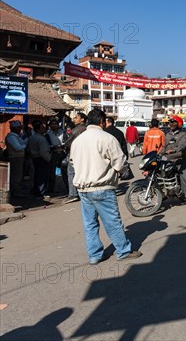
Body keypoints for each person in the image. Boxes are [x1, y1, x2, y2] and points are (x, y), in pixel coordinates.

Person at [70, 109, 142, 264]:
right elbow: (120, 162)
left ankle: (95, 255)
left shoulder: (78, 140)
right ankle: (123, 251)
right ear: (102, 122)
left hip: (83, 188)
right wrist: (117, 171)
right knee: (112, 221)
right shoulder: (106, 138)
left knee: (90, 224)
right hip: (102, 186)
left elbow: (72, 162)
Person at [160, 116, 186, 207]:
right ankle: (163, 194)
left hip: (180, 159)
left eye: (173, 123)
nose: (171, 124)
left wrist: (175, 150)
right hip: (169, 159)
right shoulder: (168, 134)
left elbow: (183, 144)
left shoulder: (184, 134)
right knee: (160, 175)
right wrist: (160, 153)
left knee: (185, 179)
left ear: (178, 124)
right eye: (170, 122)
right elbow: (164, 146)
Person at [63, 112, 87, 204]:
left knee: (71, 173)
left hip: (74, 155)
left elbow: (68, 143)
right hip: (85, 155)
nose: (74, 119)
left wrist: (62, 146)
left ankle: (73, 194)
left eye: (76, 117)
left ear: (82, 119)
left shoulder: (76, 130)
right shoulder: (87, 128)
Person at [27, 120, 52, 198]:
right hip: (41, 159)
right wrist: (48, 159)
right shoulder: (41, 139)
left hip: (34, 158)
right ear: (38, 129)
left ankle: (36, 192)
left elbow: (28, 149)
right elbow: (44, 152)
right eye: (42, 128)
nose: (44, 129)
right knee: (42, 176)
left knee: (36, 176)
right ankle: (40, 193)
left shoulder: (31, 137)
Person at [5, 120, 27, 198]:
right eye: (19, 128)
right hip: (15, 158)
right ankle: (15, 192)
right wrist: (25, 144)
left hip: (18, 158)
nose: (20, 129)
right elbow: (18, 147)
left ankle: (17, 191)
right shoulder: (11, 137)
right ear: (14, 128)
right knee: (16, 176)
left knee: (18, 175)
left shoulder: (16, 136)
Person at [46, 119, 68, 195]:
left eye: (55, 124)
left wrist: (62, 146)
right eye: (52, 124)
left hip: (62, 153)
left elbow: (66, 141)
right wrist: (53, 147)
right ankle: (51, 188)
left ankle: (67, 187)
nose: (54, 125)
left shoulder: (63, 132)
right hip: (53, 153)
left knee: (64, 170)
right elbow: (47, 144)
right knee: (51, 172)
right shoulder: (48, 133)